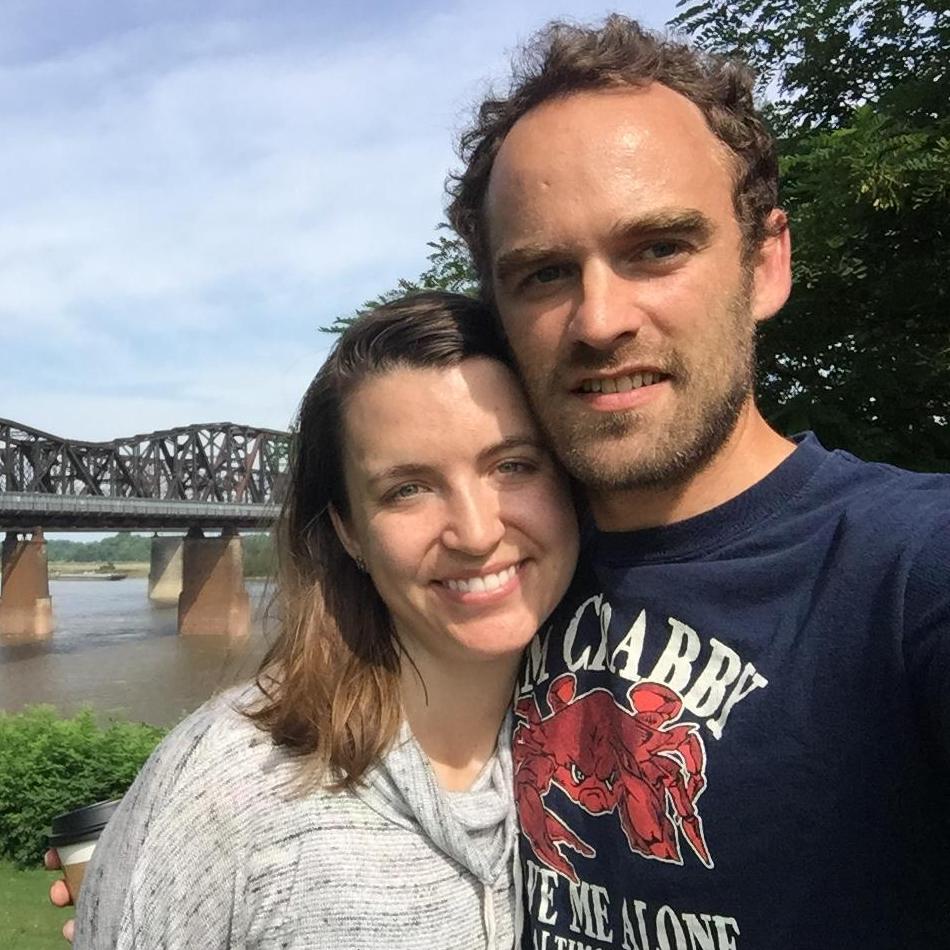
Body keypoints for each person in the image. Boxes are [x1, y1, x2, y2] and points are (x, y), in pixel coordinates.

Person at [445, 15, 950, 949]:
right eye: (545, 273)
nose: (599, 320)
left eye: (657, 249)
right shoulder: (481, 578)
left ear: (766, 263)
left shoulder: (911, 571)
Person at [53, 291, 579, 949]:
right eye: (408, 489)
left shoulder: (599, 755)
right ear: (349, 531)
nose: (475, 533)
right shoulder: (231, 792)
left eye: (513, 465)